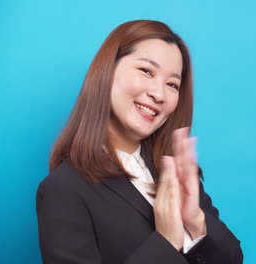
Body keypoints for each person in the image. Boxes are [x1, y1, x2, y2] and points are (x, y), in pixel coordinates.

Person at [36, 19, 243, 264]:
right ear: (107, 71)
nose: (159, 94)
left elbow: (233, 260)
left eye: (172, 84)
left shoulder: (176, 172)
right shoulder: (63, 190)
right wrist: (166, 242)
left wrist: (196, 222)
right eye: (146, 71)